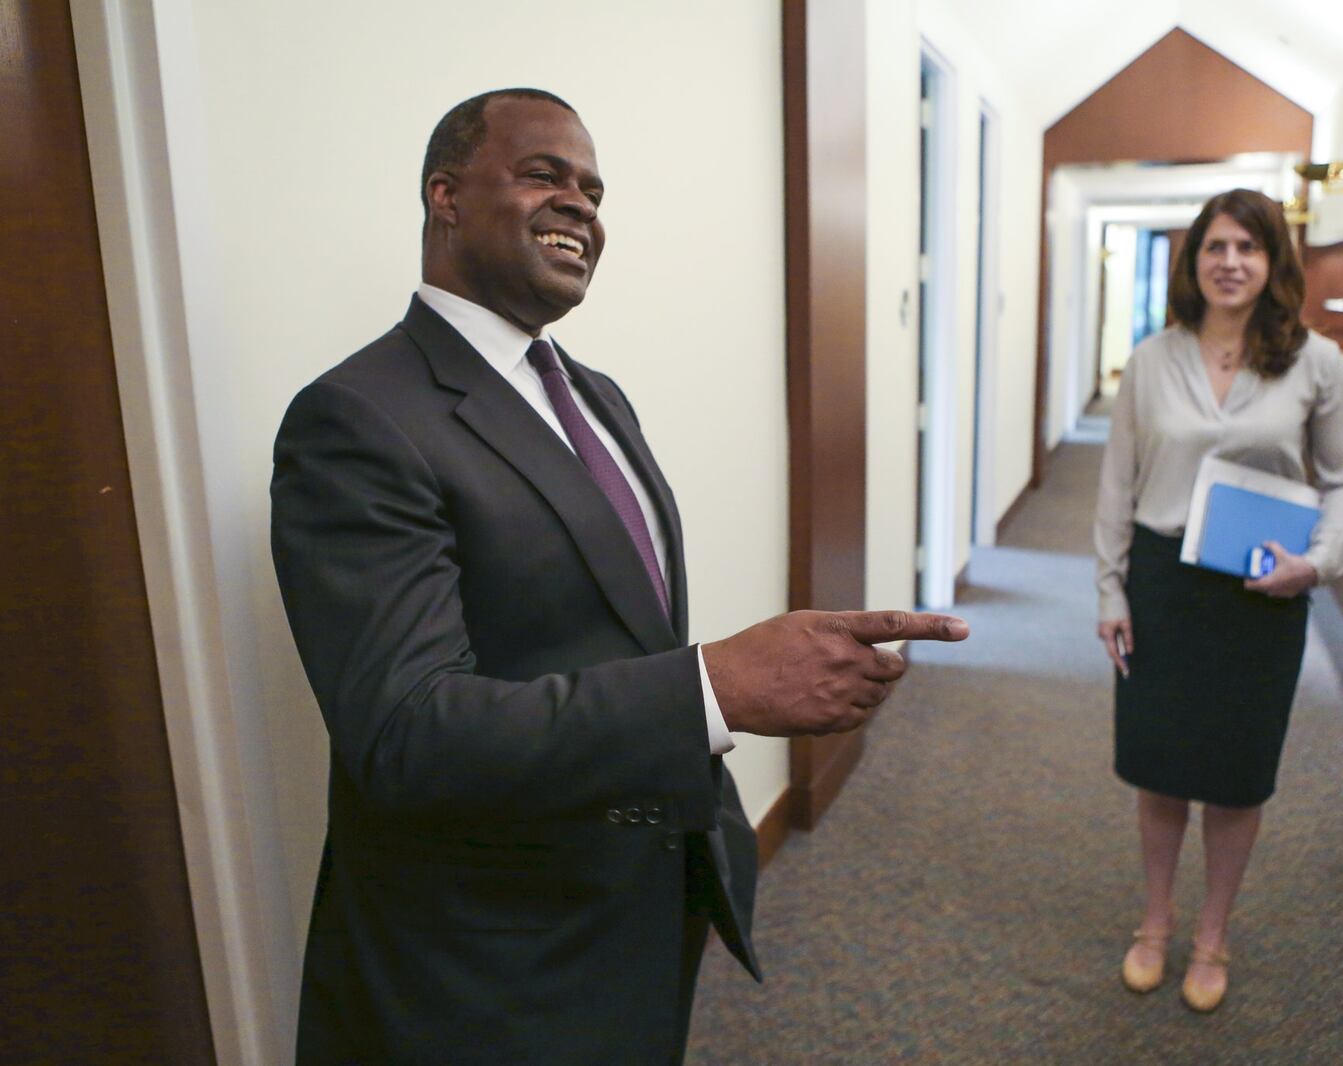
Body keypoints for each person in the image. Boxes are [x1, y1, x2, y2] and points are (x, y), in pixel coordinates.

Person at [270, 88, 968, 1065]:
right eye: (542, 175)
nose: (582, 206)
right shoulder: (357, 420)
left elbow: (612, 636)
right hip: (495, 950)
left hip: (636, 882)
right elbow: (406, 731)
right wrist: (718, 685)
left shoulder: (597, 397)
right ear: (445, 196)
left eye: (595, 190)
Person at [1093, 189, 1343, 1013]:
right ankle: (1155, 923)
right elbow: (1116, 484)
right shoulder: (1152, 359)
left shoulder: (1315, 360)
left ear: (1274, 262)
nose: (1231, 261)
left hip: (1262, 593)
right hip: (1164, 583)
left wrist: (1317, 564)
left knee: (1238, 778)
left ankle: (1212, 936)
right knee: (1161, 771)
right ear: (1194, 259)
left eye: (1249, 247)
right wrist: (1110, 587)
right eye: (1216, 245)